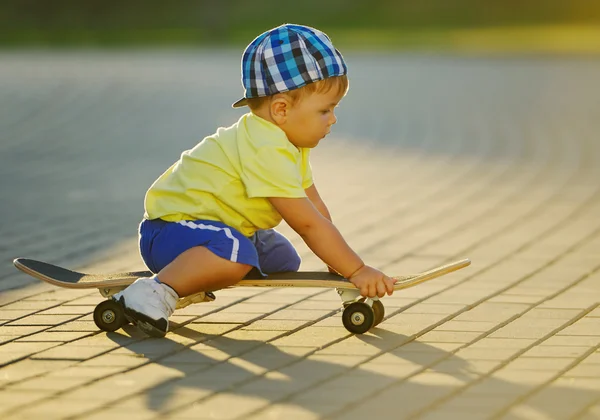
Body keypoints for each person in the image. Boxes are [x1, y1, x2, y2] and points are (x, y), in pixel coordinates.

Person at [113, 23, 396, 337]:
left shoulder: (289, 145)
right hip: (172, 231)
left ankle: (187, 280)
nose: (333, 119)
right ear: (281, 109)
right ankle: (153, 292)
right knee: (237, 254)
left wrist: (338, 261)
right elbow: (307, 224)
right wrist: (356, 269)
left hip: (212, 229)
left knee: (282, 258)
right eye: (325, 110)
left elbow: (316, 210)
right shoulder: (265, 147)